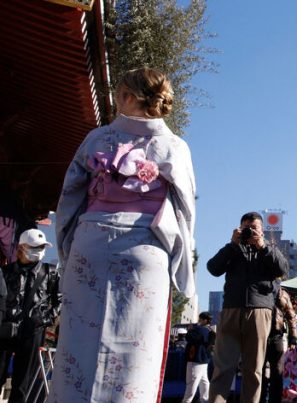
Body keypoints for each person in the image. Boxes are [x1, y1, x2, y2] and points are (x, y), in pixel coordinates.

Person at [50, 67, 196, 402]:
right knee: (135, 351)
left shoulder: (98, 139)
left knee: (79, 344)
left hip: (92, 240)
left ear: (128, 96)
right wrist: (181, 262)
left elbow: (70, 197)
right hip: (145, 249)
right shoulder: (174, 146)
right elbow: (185, 211)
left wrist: (67, 249)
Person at [207, 211, 289, 403]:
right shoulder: (233, 248)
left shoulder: (270, 249)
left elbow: (282, 270)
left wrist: (263, 247)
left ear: (263, 231)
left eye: (255, 228)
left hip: (260, 310)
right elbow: (213, 268)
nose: (250, 232)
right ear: (239, 229)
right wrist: (232, 244)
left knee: (254, 369)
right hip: (231, 309)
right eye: (247, 228)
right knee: (223, 366)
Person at [0, 229, 60, 403]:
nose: (39, 250)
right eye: (34, 246)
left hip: (33, 333)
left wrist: (45, 317)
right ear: (21, 247)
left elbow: (61, 300)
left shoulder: (51, 273)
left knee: (23, 383)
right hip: (5, 330)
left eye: (42, 247)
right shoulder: (6, 272)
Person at [278, 289, 297, 402]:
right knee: (290, 377)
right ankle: (295, 397)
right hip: (293, 353)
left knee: (284, 377)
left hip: (284, 352)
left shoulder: (281, 317)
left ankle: (291, 397)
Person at [182, 311, 215, 403]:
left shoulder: (199, 329)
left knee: (191, 383)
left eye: (200, 319)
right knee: (204, 382)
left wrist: (190, 330)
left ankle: (186, 401)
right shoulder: (210, 330)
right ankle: (205, 400)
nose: (198, 320)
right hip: (205, 360)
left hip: (195, 359)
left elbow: (189, 338)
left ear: (205, 320)